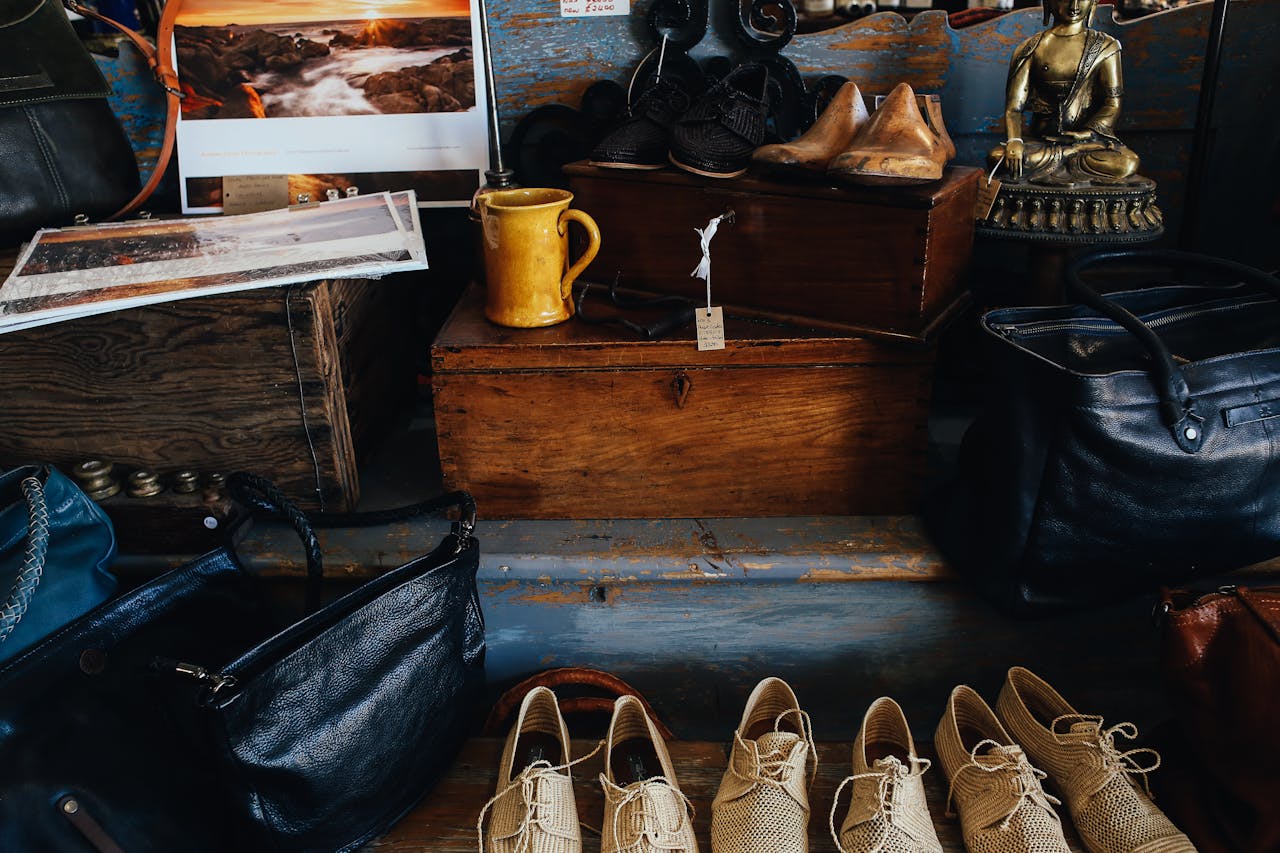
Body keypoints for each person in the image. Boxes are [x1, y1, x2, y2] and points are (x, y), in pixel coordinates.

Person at [991, 0, 1141, 185]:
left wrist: (1086, 134)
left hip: (1086, 144)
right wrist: (1014, 141)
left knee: (1127, 163)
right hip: (1042, 142)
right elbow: (1014, 107)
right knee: (998, 157)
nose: (1074, 6)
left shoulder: (1106, 46)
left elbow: (1112, 102)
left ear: (1093, 3)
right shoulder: (1031, 48)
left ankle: (1068, 155)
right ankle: (1067, 157)